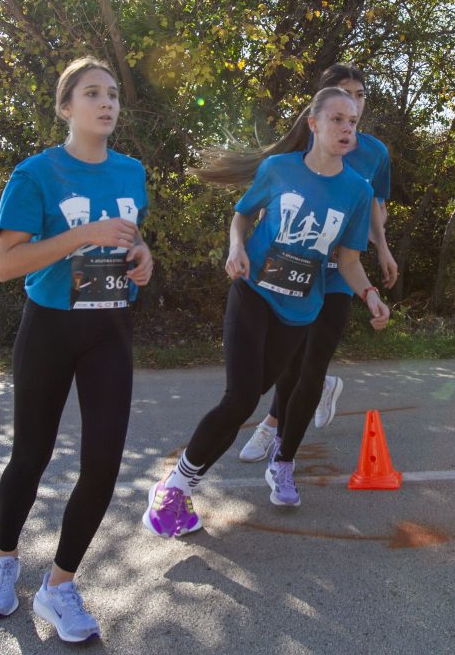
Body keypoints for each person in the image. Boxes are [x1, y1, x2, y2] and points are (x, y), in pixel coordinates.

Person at [143, 86, 389, 536]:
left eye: (352, 122)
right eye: (336, 119)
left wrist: (370, 294)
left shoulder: (357, 190)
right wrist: (235, 248)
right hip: (254, 291)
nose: (346, 128)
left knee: (252, 396)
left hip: (299, 312)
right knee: (239, 397)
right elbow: (242, 215)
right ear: (313, 124)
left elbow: (348, 260)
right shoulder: (278, 169)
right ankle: (175, 487)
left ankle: (187, 482)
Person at [0, 57, 153, 643]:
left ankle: (59, 586)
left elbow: (130, 236)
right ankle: (5, 560)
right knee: (31, 455)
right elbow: (5, 266)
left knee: (104, 465)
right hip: (50, 328)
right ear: (66, 107)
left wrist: (143, 257)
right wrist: (81, 235)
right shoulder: (36, 175)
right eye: (91, 94)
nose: (107, 103)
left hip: (110, 328)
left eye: (112, 94)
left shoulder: (131, 172)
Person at [237, 63, 397, 461]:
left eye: (360, 96)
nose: (353, 105)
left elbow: (374, 207)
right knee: (288, 358)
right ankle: (294, 406)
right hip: (295, 263)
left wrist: (381, 246)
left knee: (312, 358)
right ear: (319, 114)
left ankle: (276, 437)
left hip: (342, 268)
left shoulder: (373, 152)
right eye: (345, 95)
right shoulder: (298, 148)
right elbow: (275, 201)